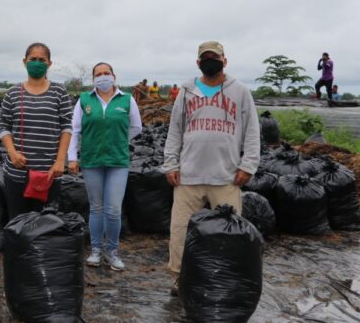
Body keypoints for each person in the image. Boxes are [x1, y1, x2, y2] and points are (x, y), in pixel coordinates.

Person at [163, 41, 260, 296]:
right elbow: (175, 130)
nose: (210, 61)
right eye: (205, 58)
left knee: (228, 234)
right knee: (180, 232)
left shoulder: (239, 91)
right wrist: (171, 163)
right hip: (188, 175)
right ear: (198, 63)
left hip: (226, 176)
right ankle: (178, 278)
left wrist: (248, 165)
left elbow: (252, 131)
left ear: (224, 61)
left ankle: (224, 279)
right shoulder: (186, 91)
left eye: (214, 57)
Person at [68, 62, 142, 270]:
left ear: (114, 76)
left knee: (113, 209)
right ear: (93, 79)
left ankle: (112, 251)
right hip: (91, 161)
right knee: (96, 207)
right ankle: (96, 250)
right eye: (98, 74)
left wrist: (117, 140)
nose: (103, 77)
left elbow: (136, 127)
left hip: (118, 161)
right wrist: (72, 157)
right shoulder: (84, 100)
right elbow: (74, 130)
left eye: (106, 73)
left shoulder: (127, 100)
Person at [0, 43, 73, 220]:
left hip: (49, 172)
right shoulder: (12, 93)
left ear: (49, 63)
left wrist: (60, 161)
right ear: (24, 62)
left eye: (42, 60)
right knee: (17, 221)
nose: (37, 63)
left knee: (45, 224)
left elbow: (67, 127)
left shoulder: (59, 92)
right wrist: (12, 153)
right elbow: (3, 126)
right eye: (33, 59)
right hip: (17, 171)